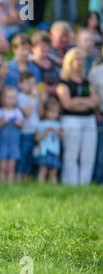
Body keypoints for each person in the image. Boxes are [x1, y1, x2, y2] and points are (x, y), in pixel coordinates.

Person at [56, 48, 99, 185]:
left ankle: (84, 184)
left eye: (82, 60)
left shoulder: (87, 82)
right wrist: (86, 102)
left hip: (89, 120)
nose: (80, 63)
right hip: (71, 120)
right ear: (69, 62)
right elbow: (67, 104)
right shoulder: (63, 82)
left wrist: (78, 101)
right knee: (71, 155)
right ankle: (71, 184)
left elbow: (95, 101)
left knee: (88, 155)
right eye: (77, 60)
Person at [0, 86, 23, 183]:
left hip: (14, 143)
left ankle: (10, 184)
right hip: (3, 143)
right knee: (3, 166)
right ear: (3, 99)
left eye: (13, 98)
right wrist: (2, 122)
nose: (11, 100)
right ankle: (2, 183)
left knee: (11, 166)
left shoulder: (17, 112)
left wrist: (19, 123)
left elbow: (21, 126)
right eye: (9, 97)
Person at [16, 72, 41, 181]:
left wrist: (40, 100)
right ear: (20, 84)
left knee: (31, 156)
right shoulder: (20, 97)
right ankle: (18, 178)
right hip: (25, 132)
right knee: (23, 156)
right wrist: (33, 99)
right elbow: (26, 113)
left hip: (35, 131)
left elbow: (40, 112)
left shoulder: (34, 98)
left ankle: (26, 178)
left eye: (33, 84)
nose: (31, 86)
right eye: (28, 83)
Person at [35, 99, 63, 184]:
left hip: (55, 150)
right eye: (51, 112)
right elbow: (37, 138)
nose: (53, 114)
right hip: (45, 150)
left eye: (55, 112)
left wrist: (56, 131)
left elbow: (62, 135)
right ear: (45, 112)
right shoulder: (41, 124)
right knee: (43, 169)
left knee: (54, 171)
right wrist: (45, 133)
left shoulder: (59, 124)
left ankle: (53, 188)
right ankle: (40, 187)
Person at [88, 46, 103, 184]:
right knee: (100, 153)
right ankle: (99, 181)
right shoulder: (96, 72)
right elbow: (93, 94)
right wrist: (97, 112)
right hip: (101, 116)